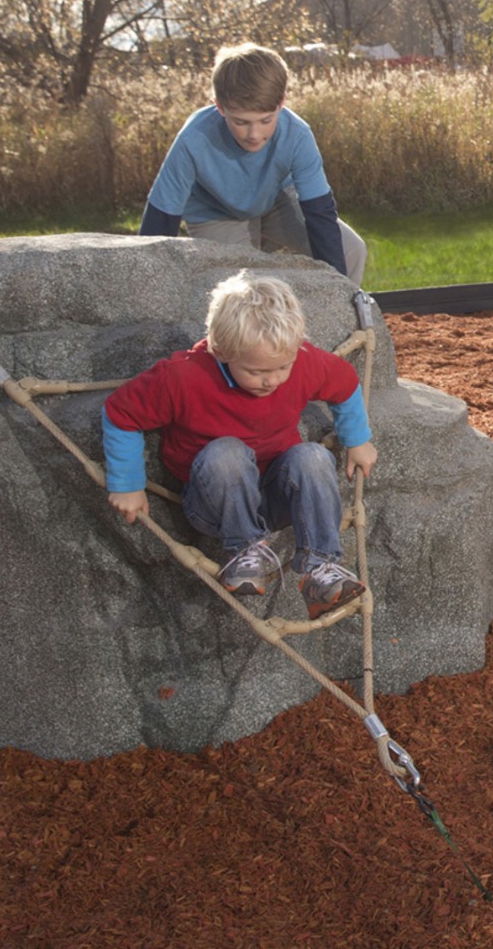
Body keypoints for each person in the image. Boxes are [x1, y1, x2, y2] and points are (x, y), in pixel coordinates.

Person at [102, 271, 377, 618]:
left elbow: (345, 383)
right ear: (221, 351)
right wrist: (127, 483)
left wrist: (358, 440)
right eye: (257, 371)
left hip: (276, 498)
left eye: (283, 367)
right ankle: (244, 552)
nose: (272, 380)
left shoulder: (304, 362)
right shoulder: (183, 377)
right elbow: (121, 413)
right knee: (227, 452)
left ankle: (320, 570)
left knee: (313, 456)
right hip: (215, 504)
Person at [138, 42, 368, 286]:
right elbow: (160, 218)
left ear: (281, 103)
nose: (254, 134)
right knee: (239, 288)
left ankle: (335, 321)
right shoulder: (193, 139)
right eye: (241, 122)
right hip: (215, 212)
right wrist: (148, 283)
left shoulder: (297, 134)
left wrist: (339, 290)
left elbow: (319, 212)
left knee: (351, 252)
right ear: (220, 106)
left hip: (276, 201)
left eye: (265, 120)